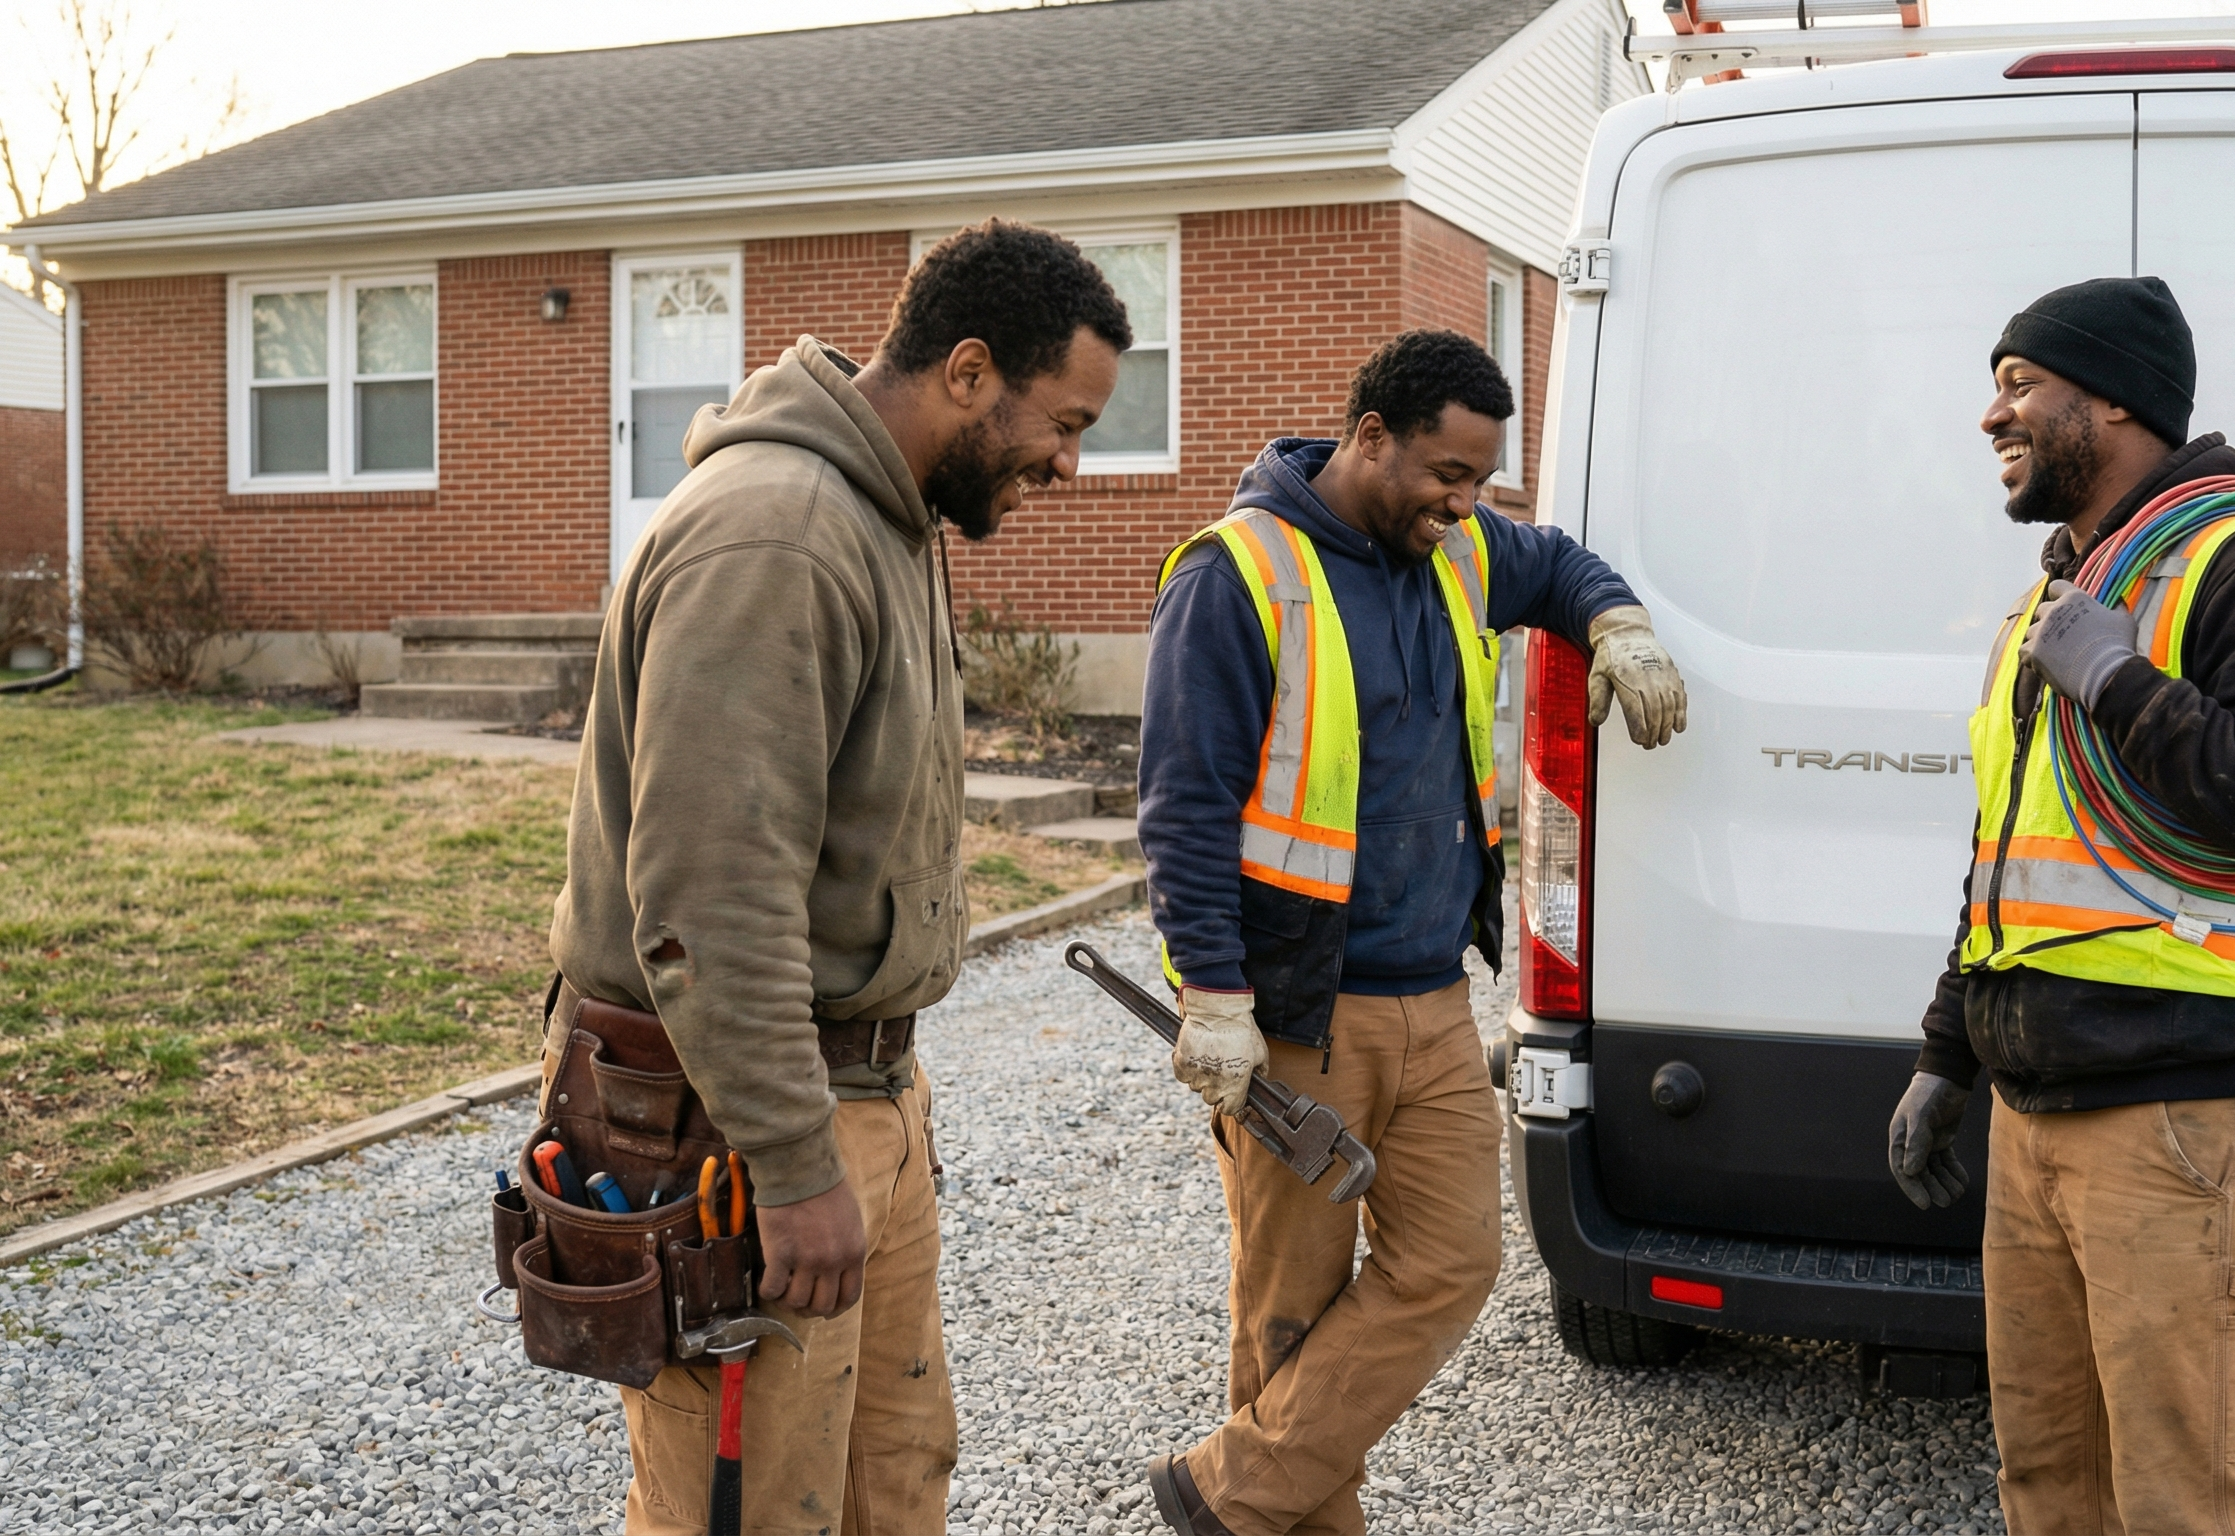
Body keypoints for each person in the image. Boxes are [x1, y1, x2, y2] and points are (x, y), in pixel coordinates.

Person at [547, 219, 1131, 1534]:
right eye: (1065, 420)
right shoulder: (782, 534)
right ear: (968, 372)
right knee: (751, 1512)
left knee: (889, 1476)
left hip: (859, 1083)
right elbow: (710, 894)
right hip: (743, 1113)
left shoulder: (889, 514)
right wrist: (797, 1160)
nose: (1073, 461)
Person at [1136, 329, 1687, 1536]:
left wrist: (1616, 623)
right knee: (1291, 1306)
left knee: (1452, 1261)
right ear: (1368, 436)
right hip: (1296, 1012)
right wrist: (1212, 994)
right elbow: (1181, 803)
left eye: (1480, 482)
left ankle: (1224, 1495)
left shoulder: (1457, 553)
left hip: (1433, 999)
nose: (1464, 504)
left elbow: (1554, 562)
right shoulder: (1239, 575)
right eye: (1446, 474)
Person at [1886, 276, 2235, 1535]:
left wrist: (2114, 677)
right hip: (2035, 1115)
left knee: (2187, 1501)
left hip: (2181, 1119)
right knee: (2050, 1482)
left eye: (2015, 384)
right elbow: (2009, 853)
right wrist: (1947, 1053)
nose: (1987, 415)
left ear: (2107, 400)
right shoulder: (2061, 589)